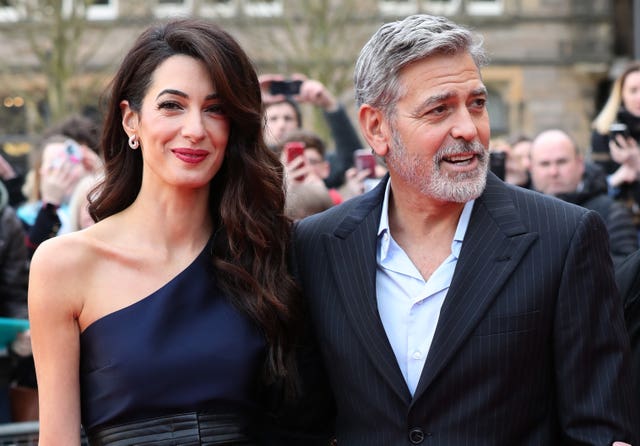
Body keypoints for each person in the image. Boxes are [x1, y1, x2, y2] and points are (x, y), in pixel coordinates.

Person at [292, 14, 636, 445]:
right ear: (377, 128)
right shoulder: (317, 246)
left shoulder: (564, 238)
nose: (469, 129)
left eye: (477, 103)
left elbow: (598, 425)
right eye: (439, 109)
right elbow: (302, 421)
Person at [29, 18, 311, 445]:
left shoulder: (269, 253)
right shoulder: (63, 265)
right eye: (172, 105)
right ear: (131, 121)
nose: (195, 129)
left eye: (215, 109)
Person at [529, 129, 638, 265]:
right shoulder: (520, 210)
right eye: (545, 164)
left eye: (561, 162)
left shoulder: (611, 211)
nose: (553, 172)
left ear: (580, 163)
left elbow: (627, 269)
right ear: (531, 168)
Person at [260, 74, 362, 188]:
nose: (281, 125)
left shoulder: (314, 160)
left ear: (298, 124)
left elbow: (350, 160)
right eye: (273, 119)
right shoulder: (254, 164)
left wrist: (329, 104)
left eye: (288, 118)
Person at [591, 61, 640, 227]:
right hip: (615, 222)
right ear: (622, 94)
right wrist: (620, 175)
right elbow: (593, 185)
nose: (639, 97)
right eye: (633, 90)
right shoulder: (604, 132)